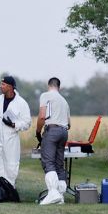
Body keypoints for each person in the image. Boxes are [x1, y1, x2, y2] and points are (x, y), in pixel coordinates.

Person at [0, 75, 31, 187]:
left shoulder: (21, 103)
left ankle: (9, 189)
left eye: (3, 84)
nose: (1, 86)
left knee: (11, 165)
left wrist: (14, 124)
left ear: (10, 87)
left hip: (11, 140)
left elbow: (27, 123)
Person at [35, 77, 71, 205]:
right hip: (64, 132)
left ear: (48, 85)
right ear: (58, 87)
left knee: (48, 162)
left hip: (52, 131)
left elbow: (42, 116)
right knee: (59, 165)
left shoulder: (45, 95)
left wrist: (38, 131)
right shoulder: (64, 100)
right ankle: (60, 197)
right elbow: (69, 123)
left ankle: (53, 193)